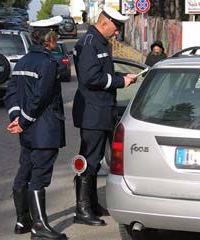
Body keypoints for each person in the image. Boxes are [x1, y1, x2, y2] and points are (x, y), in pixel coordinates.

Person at [4, 16, 67, 240]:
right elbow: (40, 98)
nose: (57, 40)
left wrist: (16, 117)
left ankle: (23, 220)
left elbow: (10, 92)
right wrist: (23, 120)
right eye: (55, 36)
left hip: (28, 131)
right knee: (39, 176)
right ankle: (39, 228)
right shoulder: (47, 63)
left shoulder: (22, 62)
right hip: (44, 130)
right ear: (49, 39)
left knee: (25, 171)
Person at [72, 5, 136, 226]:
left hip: (102, 110)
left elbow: (103, 73)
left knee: (96, 161)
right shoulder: (89, 43)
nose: (117, 33)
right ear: (105, 22)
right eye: (116, 28)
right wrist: (120, 81)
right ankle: (82, 210)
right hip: (93, 111)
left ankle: (91, 204)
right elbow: (90, 79)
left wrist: (122, 76)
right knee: (88, 161)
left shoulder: (100, 42)